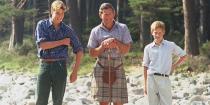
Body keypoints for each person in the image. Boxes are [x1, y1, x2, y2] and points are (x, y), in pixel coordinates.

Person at [34, 0, 83, 105]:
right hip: (44, 66)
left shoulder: (67, 30)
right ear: (52, 11)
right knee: (40, 101)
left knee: (58, 101)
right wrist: (62, 42)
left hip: (60, 66)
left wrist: (75, 72)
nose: (60, 16)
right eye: (57, 13)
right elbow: (42, 45)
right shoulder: (41, 25)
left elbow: (79, 50)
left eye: (62, 13)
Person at [87, 3, 132, 105]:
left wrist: (116, 42)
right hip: (101, 67)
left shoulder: (123, 28)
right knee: (103, 102)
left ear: (114, 14)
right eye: (105, 14)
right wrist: (103, 46)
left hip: (118, 66)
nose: (107, 16)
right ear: (100, 15)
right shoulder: (95, 31)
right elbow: (92, 53)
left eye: (109, 14)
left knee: (118, 102)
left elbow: (126, 50)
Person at [142, 21, 187, 105]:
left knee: (166, 103)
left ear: (164, 32)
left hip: (164, 78)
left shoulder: (170, 45)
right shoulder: (148, 48)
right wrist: (145, 84)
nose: (158, 35)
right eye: (155, 32)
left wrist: (174, 66)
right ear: (152, 32)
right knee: (152, 103)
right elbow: (145, 66)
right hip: (151, 78)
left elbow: (184, 55)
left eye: (160, 32)